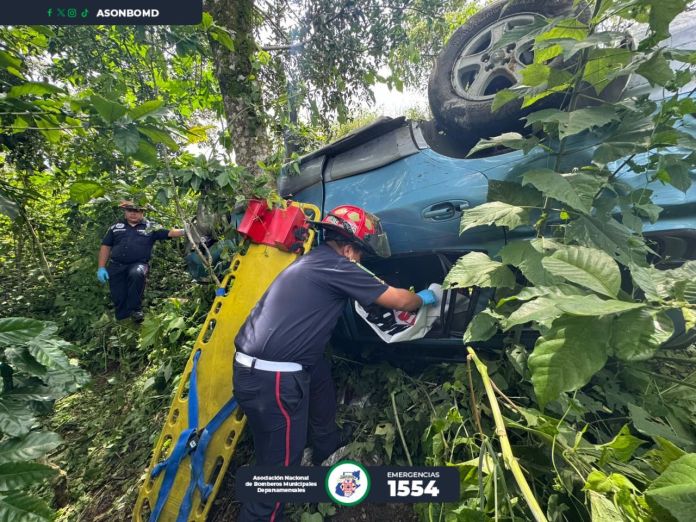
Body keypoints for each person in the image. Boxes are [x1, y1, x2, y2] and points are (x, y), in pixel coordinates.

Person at [233, 204, 438, 522]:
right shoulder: (339, 267)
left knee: (319, 379)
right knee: (279, 470)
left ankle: (326, 446)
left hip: (261, 369)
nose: (360, 261)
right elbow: (399, 301)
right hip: (273, 381)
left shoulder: (315, 261)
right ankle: (264, 514)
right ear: (348, 247)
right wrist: (428, 296)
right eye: (360, 254)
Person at [97, 200, 185, 323]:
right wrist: (101, 267)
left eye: (137, 211)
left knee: (137, 274)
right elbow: (105, 246)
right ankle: (123, 319)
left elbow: (169, 232)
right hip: (116, 265)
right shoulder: (115, 227)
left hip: (139, 263)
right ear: (125, 212)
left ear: (143, 212)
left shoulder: (151, 227)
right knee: (118, 294)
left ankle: (135, 310)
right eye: (130, 210)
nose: (133, 213)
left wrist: (186, 231)